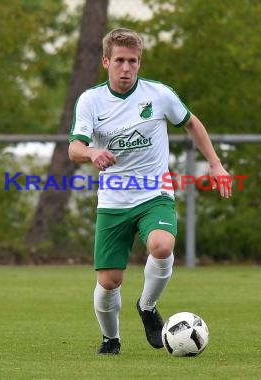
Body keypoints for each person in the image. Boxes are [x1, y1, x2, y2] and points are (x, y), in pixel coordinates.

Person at [68, 28, 232, 355]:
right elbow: (74, 147)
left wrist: (215, 163)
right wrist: (91, 153)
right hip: (114, 199)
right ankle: (110, 339)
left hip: (153, 193)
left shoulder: (158, 95)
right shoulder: (91, 100)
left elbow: (191, 123)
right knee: (109, 281)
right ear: (106, 62)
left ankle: (147, 306)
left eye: (132, 61)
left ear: (139, 62)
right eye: (119, 61)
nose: (126, 68)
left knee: (161, 245)